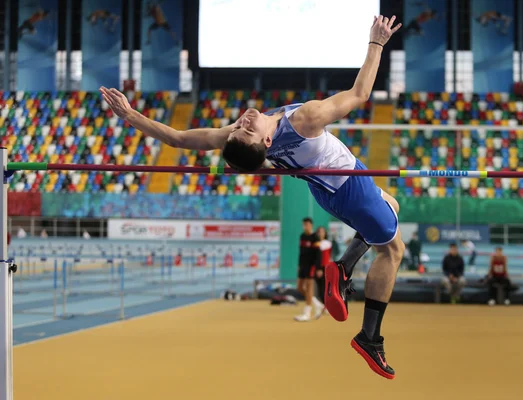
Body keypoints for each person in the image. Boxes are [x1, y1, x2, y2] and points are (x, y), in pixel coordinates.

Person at [100, 14, 403, 379]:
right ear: (266, 143)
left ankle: (342, 267)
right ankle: (370, 337)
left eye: (240, 127)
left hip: (332, 188)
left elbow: (179, 139)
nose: (242, 122)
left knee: (393, 206)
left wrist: (132, 116)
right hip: (349, 186)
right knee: (392, 250)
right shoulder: (305, 119)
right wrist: (377, 43)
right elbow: (360, 94)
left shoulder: (245, 138)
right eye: (246, 129)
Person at [294, 218, 324, 322]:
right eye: (304, 225)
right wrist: (299, 265)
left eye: (307, 225)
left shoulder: (315, 237)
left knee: (309, 286)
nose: (305, 226)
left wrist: (318, 268)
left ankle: (307, 313)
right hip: (303, 265)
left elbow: (318, 254)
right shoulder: (302, 236)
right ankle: (317, 304)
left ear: (311, 225)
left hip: (311, 266)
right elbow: (301, 252)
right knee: (299, 288)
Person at [315, 226, 332, 313]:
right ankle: (322, 305)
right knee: (319, 288)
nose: (321, 233)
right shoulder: (315, 243)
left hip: (324, 268)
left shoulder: (327, 243)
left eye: (322, 232)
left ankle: (326, 306)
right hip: (316, 268)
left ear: (325, 233)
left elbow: (326, 257)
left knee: (324, 288)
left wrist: (321, 269)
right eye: (319, 232)